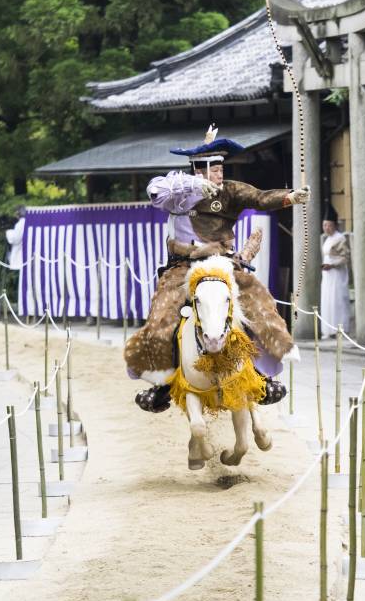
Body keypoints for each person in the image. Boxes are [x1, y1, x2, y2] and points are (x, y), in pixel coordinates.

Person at [124, 125, 309, 412]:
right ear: (199, 170)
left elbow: (259, 198)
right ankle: (161, 382)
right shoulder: (178, 192)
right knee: (163, 312)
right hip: (183, 266)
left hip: (224, 264)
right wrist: (194, 185)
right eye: (214, 169)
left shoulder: (231, 190)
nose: (220, 174)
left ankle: (262, 376)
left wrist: (290, 197)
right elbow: (155, 190)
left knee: (259, 302)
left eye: (222, 168)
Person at [319, 204, 351, 338]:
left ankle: (340, 329)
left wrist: (332, 265)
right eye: (324, 225)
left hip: (337, 274)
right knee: (327, 301)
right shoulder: (327, 239)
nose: (326, 228)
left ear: (334, 225)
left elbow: (345, 257)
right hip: (327, 275)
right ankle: (328, 329)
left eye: (329, 225)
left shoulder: (340, 238)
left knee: (337, 301)